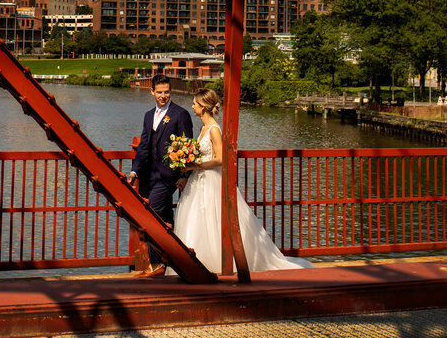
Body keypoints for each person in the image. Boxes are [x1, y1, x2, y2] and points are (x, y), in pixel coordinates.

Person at [170, 89, 312, 274]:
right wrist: (187, 172)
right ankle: (198, 263)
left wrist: (193, 166)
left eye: (195, 103)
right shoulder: (203, 128)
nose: (192, 106)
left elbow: (221, 159)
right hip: (198, 179)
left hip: (211, 180)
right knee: (198, 219)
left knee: (213, 219)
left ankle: (218, 262)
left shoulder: (214, 129)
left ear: (204, 107)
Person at [127, 74, 193, 276]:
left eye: (167, 92)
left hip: (169, 176)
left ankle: (156, 266)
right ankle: (172, 264)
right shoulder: (148, 115)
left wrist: (184, 175)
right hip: (151, 175)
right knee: (164, 220)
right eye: (160, 92)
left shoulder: (180, 114)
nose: (163, 96)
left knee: (150, 216)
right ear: (152, 92)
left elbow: (187, 146)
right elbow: (144, 146)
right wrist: (134, 171)